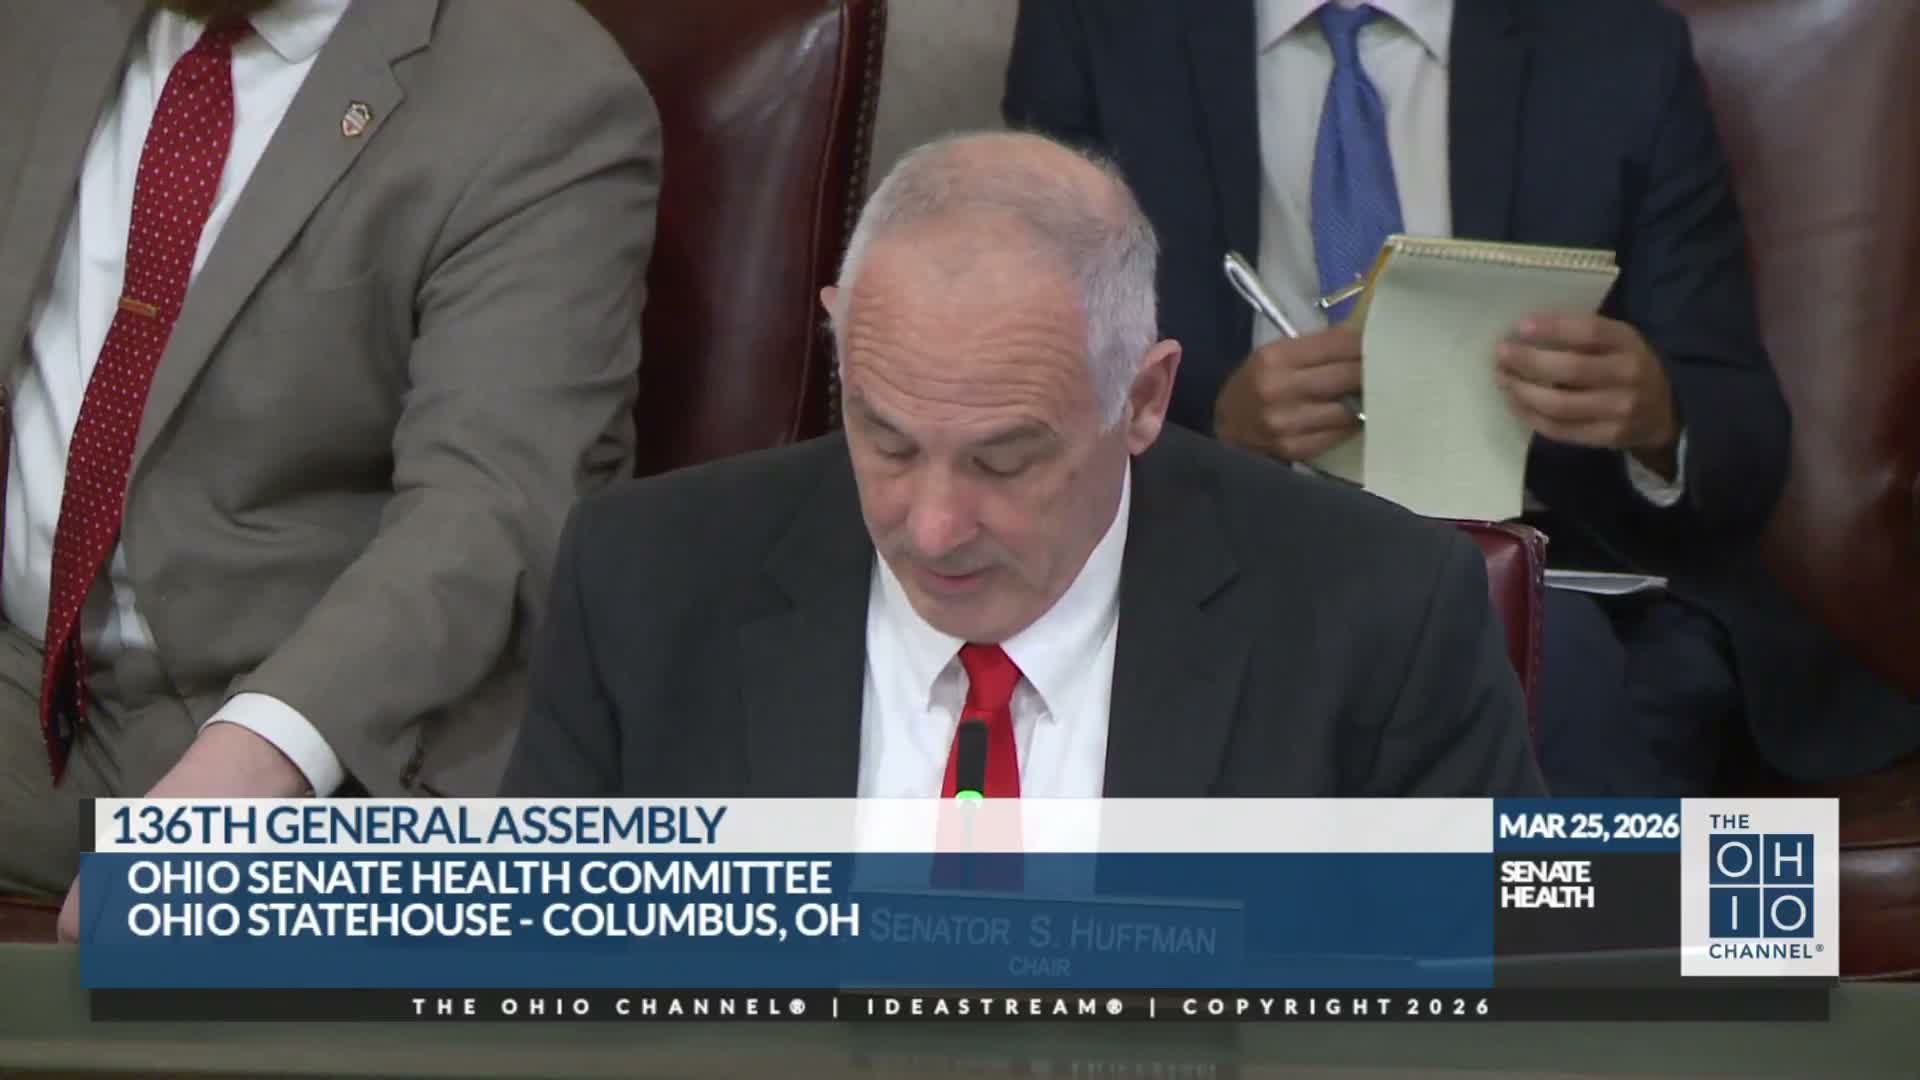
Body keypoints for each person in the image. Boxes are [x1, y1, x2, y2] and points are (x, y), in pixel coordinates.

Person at [1002, 0, 1920, 795]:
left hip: (1550, 572)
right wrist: (1211, 427)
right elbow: (1024, 375)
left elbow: (1739, 427)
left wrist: (1655, 418)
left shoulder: (1614, 48)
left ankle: (1581, 947)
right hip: (1228, 560)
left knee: (1567, 674)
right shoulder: (1102, 28)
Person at [500, 131, 1543, 800]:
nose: (932, 525)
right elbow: (531, 1006)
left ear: (1144, 398)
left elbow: (1509, 1002)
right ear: (839, 339)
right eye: (888, 441)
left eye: (1002, 462)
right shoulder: (644, 586)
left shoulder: (1380, 619)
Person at [0, 0, 659, 932]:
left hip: (325, 745)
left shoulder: (543, 97)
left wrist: (244, 767)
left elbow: (492, 505)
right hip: (29, 682)